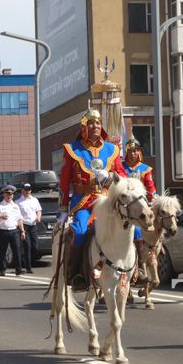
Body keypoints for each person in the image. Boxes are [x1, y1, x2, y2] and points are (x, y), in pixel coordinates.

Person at [57, 108, 126, 291]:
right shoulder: (72, 149)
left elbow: (123, 176)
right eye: (91, 123)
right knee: (79, 233)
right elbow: (64, 181)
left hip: (107, 200)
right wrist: (63, 209)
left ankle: (134, 271)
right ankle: (75, 274)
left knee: (132, 230)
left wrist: (111, 177)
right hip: (83, 202)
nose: (95, 125)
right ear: (84, 127)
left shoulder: (112, 149)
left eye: (97, 122)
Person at [122, 137, 158, 287]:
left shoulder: (145, 169)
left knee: (153, 229)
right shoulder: (120, 168)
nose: (133, 153)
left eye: (136, 150)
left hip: (140, 208)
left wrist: (156, 199)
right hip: (124, 207)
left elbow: (151, 189)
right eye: (130, 151)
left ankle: (145, 259)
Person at [0, 185, 25, 276]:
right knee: (2, 251)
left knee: (17, 250)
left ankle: (18, 269)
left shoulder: (16, 206)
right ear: (4, 194)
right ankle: (2, 269)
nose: (9, 196)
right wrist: (1, 216)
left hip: (14, 231)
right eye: (7, 194)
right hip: (3, 231)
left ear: (13, 195)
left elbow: (19, 220)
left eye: (11, 194)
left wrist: (22, 231)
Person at [15, 183, 41, 273]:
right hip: (24, 225)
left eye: (29, 189)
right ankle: (28, 267)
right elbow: (17, 216)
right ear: (22, 190)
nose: (27, 191)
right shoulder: (18, 202)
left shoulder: (35, 200)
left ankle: (25, 260)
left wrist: (38, 217)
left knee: (35, 247)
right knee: (27, 246)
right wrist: (21, 228)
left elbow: (39, 210)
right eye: (25, 189)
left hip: (33, 225)